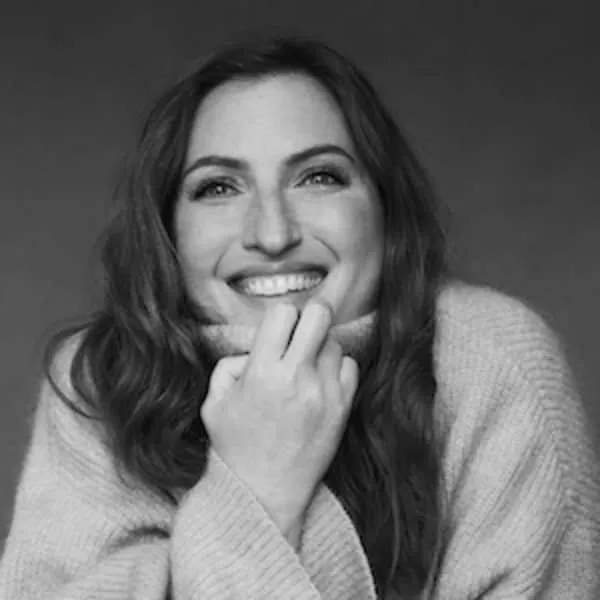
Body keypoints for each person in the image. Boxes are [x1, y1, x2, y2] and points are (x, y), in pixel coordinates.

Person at [1, 34, 599, 600]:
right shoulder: (98, 379)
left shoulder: (492, 360)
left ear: (385, 210)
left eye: (319, 177)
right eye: (218, 187)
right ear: (168, 230)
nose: (273, 233)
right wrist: (258, 488)